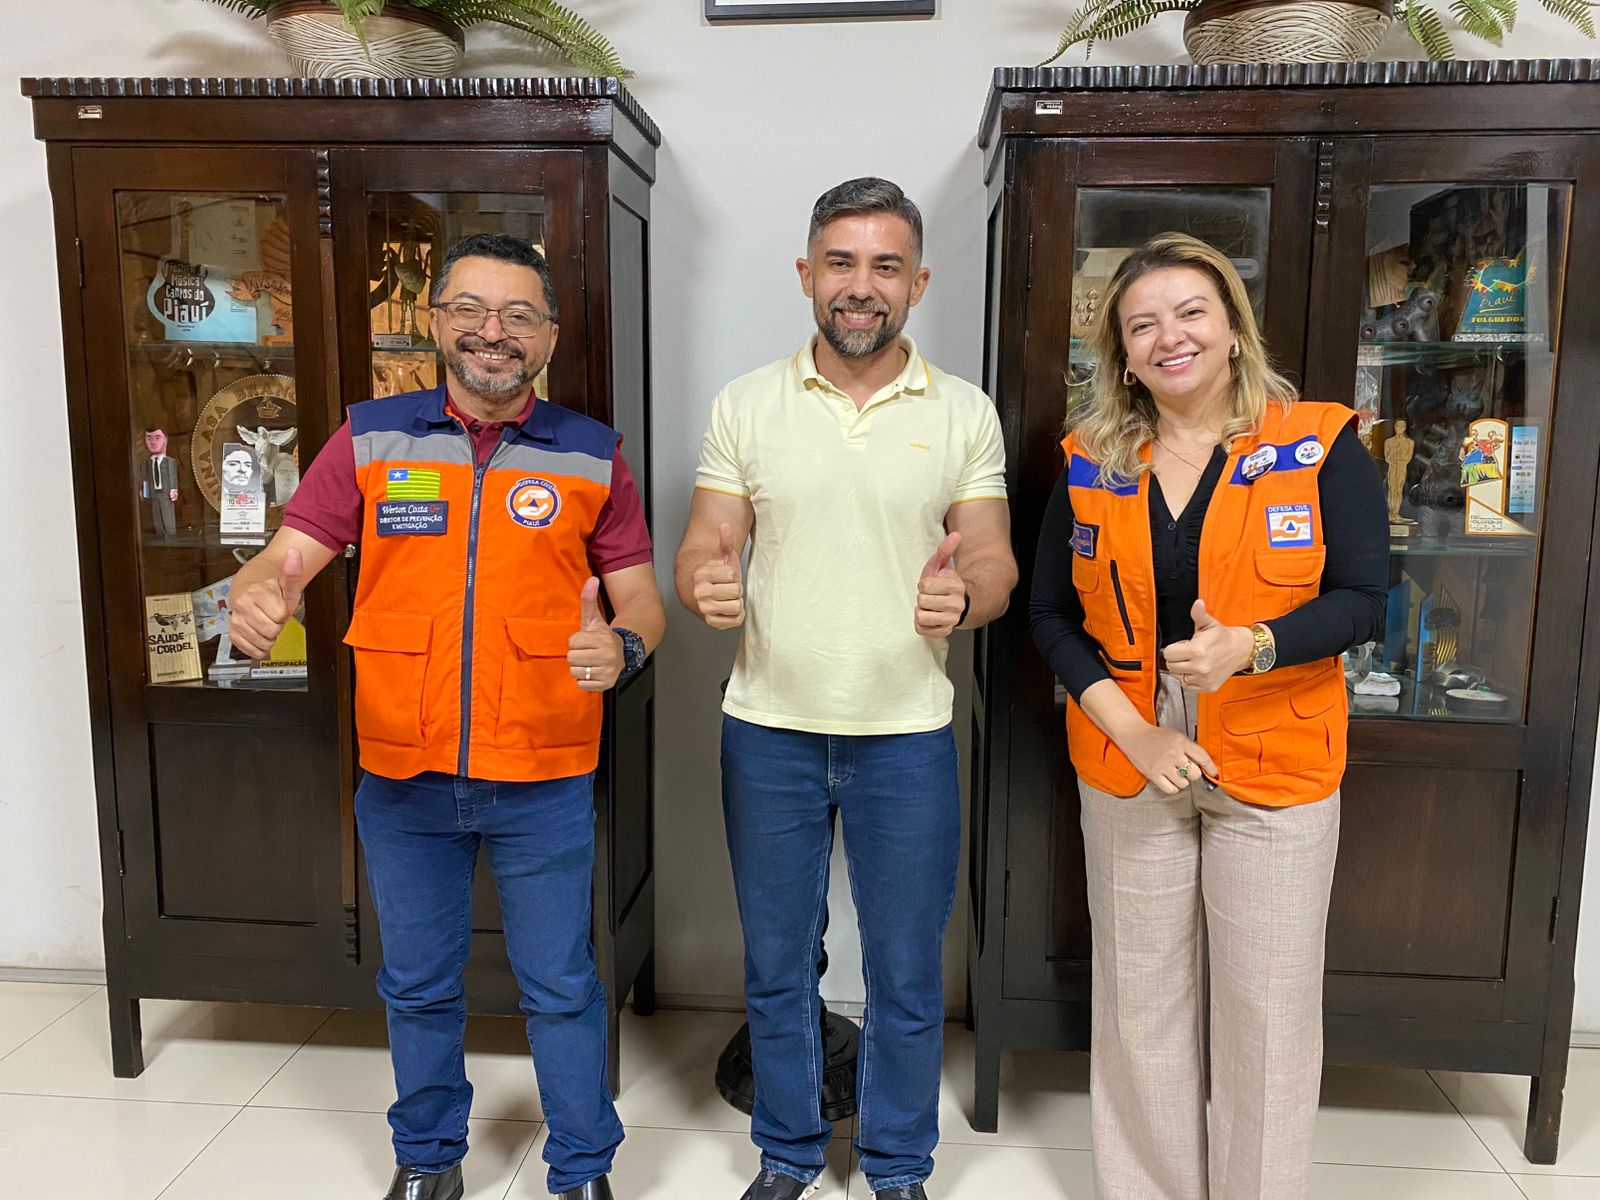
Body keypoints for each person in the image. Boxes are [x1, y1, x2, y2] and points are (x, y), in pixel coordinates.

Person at [228, 233, 664, 1200]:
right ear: (434, 322)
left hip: (544, 774)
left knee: (561, 985)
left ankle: (581, 1167)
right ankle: (429, 1160)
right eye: (469, 309)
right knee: (417, 983)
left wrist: (623, 646)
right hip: (403, 774)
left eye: (517, 315)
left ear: (548, 336)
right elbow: (290, 554)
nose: (491, 332)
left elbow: (640, 598)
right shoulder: (371, 438)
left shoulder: (592, 454)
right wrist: (261, 590)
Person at [675, 178, 1018, 1200]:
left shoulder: (962, 412)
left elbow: (992, 558)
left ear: (917, 282)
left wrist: (967, 596)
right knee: (779, 964)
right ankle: (788, 1151)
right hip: (768, 731)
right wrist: (702, 579)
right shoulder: (746, 403)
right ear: (806, 274)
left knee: (907, 970)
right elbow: (705, 541)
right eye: (840, 262)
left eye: (884, 266)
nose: (860, 286)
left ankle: (898, 1162)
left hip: (905, 735)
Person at [1028, 232, 1387, 1200]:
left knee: (1267, 1015)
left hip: (1274, 751)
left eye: (1191, 312)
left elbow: (1365, 600)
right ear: (1122, 352)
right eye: (1142, 324)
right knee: (1139, 1003)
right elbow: (1050, 615)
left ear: (1233, 326)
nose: (1169, 337)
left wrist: (1252, 645)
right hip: (1130, 748)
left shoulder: (1319, 444)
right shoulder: (1091, 459)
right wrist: (1136, 730)